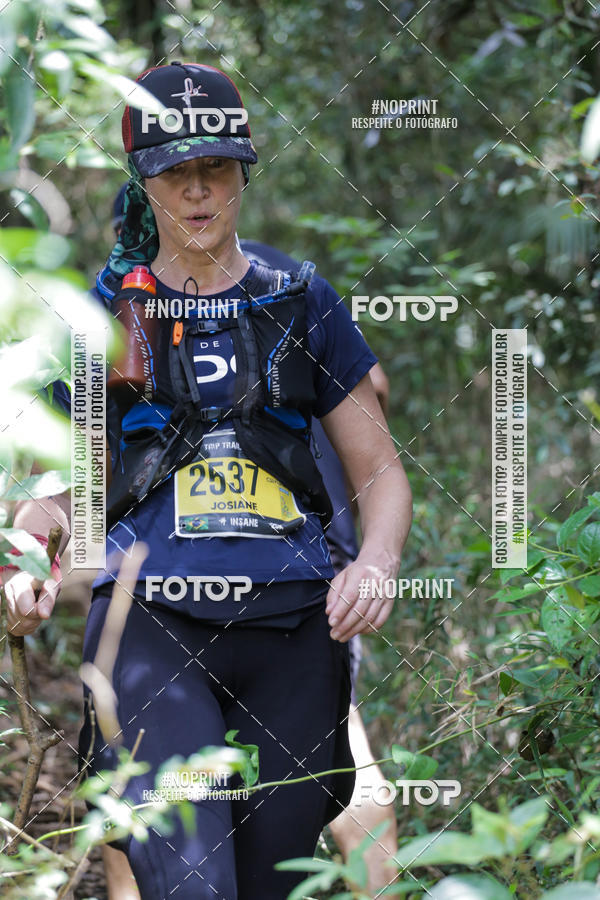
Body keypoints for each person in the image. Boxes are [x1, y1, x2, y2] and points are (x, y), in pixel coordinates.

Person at [4, 61, 412, 900]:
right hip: (152, 631)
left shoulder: (301, 301)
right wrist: (30, 558)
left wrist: (376, 562)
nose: (198, 192)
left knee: (270, 888)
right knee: (194, 886)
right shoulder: (100, 319)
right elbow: (60, 487)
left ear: (243, 172)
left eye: (216, 169)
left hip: (296, 634)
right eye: (176, 172)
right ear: (142, 181)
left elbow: (380, 472)